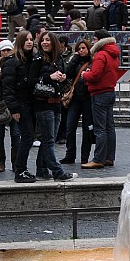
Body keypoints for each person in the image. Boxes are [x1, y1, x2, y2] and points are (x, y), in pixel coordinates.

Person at [29, 32, 75, 181]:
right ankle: (57, 171)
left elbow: (62, 79)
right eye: (42, 40)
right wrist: (49, 77)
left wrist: (62, 78)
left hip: (56, 103)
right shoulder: (37, 59)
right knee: (49, 140)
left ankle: (42, 169)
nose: (44, 43)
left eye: (48, 40)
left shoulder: (59, 59)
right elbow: (31, 81)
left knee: (49, 139)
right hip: (43, 103)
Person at [81, 29, 122, 169]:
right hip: (110, 91)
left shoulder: (101, 55)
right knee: (109, 126)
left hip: (99, 93)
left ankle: (98, 158)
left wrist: (85, 75)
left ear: (99, 40)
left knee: (100, 128)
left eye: (94, 39)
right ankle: (109, 157)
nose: (92, 42)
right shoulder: (114, 54)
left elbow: (95, 75)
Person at [2, 30, 38, 183]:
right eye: (26, 39)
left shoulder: (33, 59)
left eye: (31, 39)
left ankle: (22, 168)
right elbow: (8, 88)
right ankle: (20, 169)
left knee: (29, 137)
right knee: (27, 137)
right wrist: (14, 109)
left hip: (31, 103)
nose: (29, 42)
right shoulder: (12, 61)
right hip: (20, 104)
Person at [61, 38, 94, 166]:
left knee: (87, 129)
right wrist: (74, 59)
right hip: (75, 99)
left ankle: (85, 156)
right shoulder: (75, 61)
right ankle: (70, 154)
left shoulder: (92, 61)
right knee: (70, 127)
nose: (81, 51)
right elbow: (67, 74)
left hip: (87, 98)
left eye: (83, 48)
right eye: (79, 49)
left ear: (88, 48)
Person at [0, 40, 20, 173]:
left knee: (15, 134)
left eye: (9, 50)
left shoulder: (16, 64)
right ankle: (1, 162)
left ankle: (15, 162)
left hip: (13, 102)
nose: (6, 53)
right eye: (4, 50)